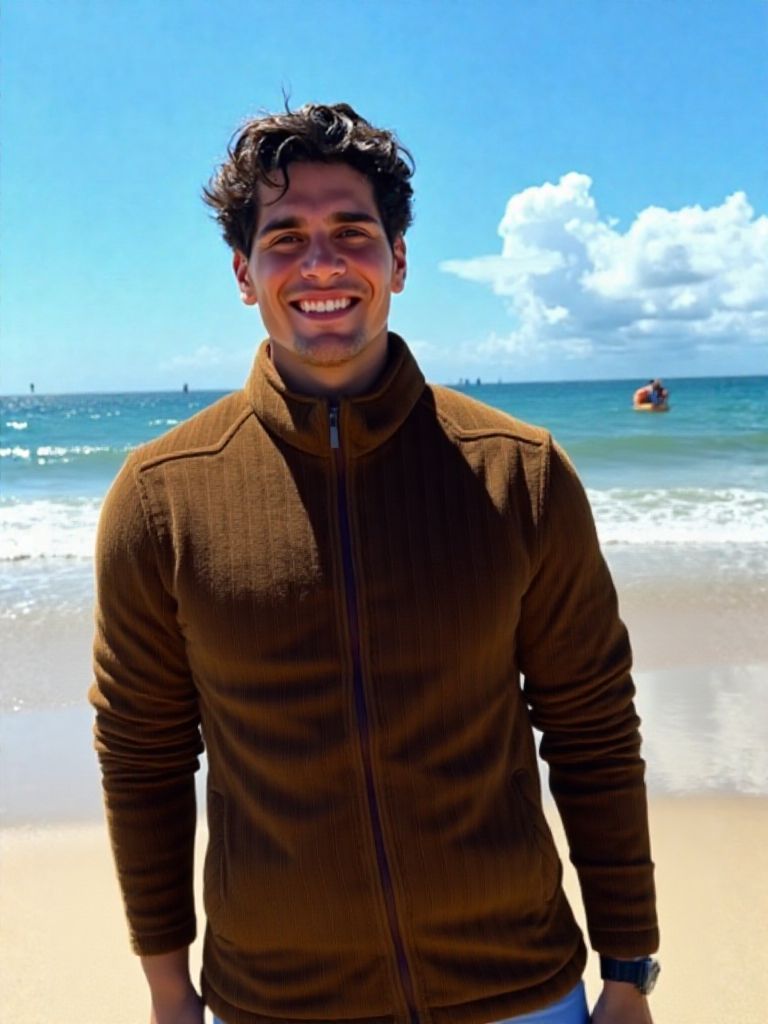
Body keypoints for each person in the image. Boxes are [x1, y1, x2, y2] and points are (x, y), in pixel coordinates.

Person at [90, 103, 659, 1024]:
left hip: (518, 988)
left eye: (351, 232)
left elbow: (591, 726)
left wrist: (628, 971)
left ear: (397, 259)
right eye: (286, 238)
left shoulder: (518, 472)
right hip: (273, 1001)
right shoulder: (161, 497)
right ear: (244, 274)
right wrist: (167, 990)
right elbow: (142, 755)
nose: (321, 263)